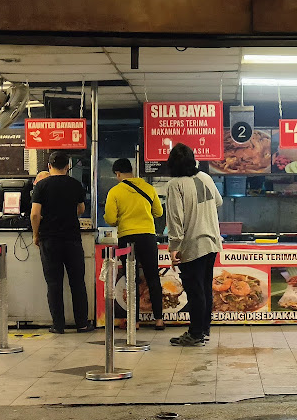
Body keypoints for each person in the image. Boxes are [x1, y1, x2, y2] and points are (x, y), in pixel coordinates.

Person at [165, 143, 222, 347]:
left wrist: (174, 247)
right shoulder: (205, 177)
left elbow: (175, 219)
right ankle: (203, 329)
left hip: (193, 245)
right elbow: (219, 201)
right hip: (212, 242)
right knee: (204, 288)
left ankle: (196, 333)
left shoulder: (175, 185)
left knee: (195, 290)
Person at [30, 151, 94, 334]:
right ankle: (82, 323)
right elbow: (81, 209)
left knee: (54, 283)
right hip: (72, 239)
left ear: (49, 166)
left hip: (49, 240)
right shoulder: (75, 185)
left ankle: (58, 326)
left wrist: (36, 234)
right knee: (77, 283)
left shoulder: (41, 185)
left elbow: (35, 214)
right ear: (67, 167)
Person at [103, 158, 165, 330]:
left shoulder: (115, 192)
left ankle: (134, 321)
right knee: (153, 277)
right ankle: (159, 320)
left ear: (117, 173)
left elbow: (110, 219)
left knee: (131, 279)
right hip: (148, 236)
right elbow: (158, 212)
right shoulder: (148, 187)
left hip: (127, 238)